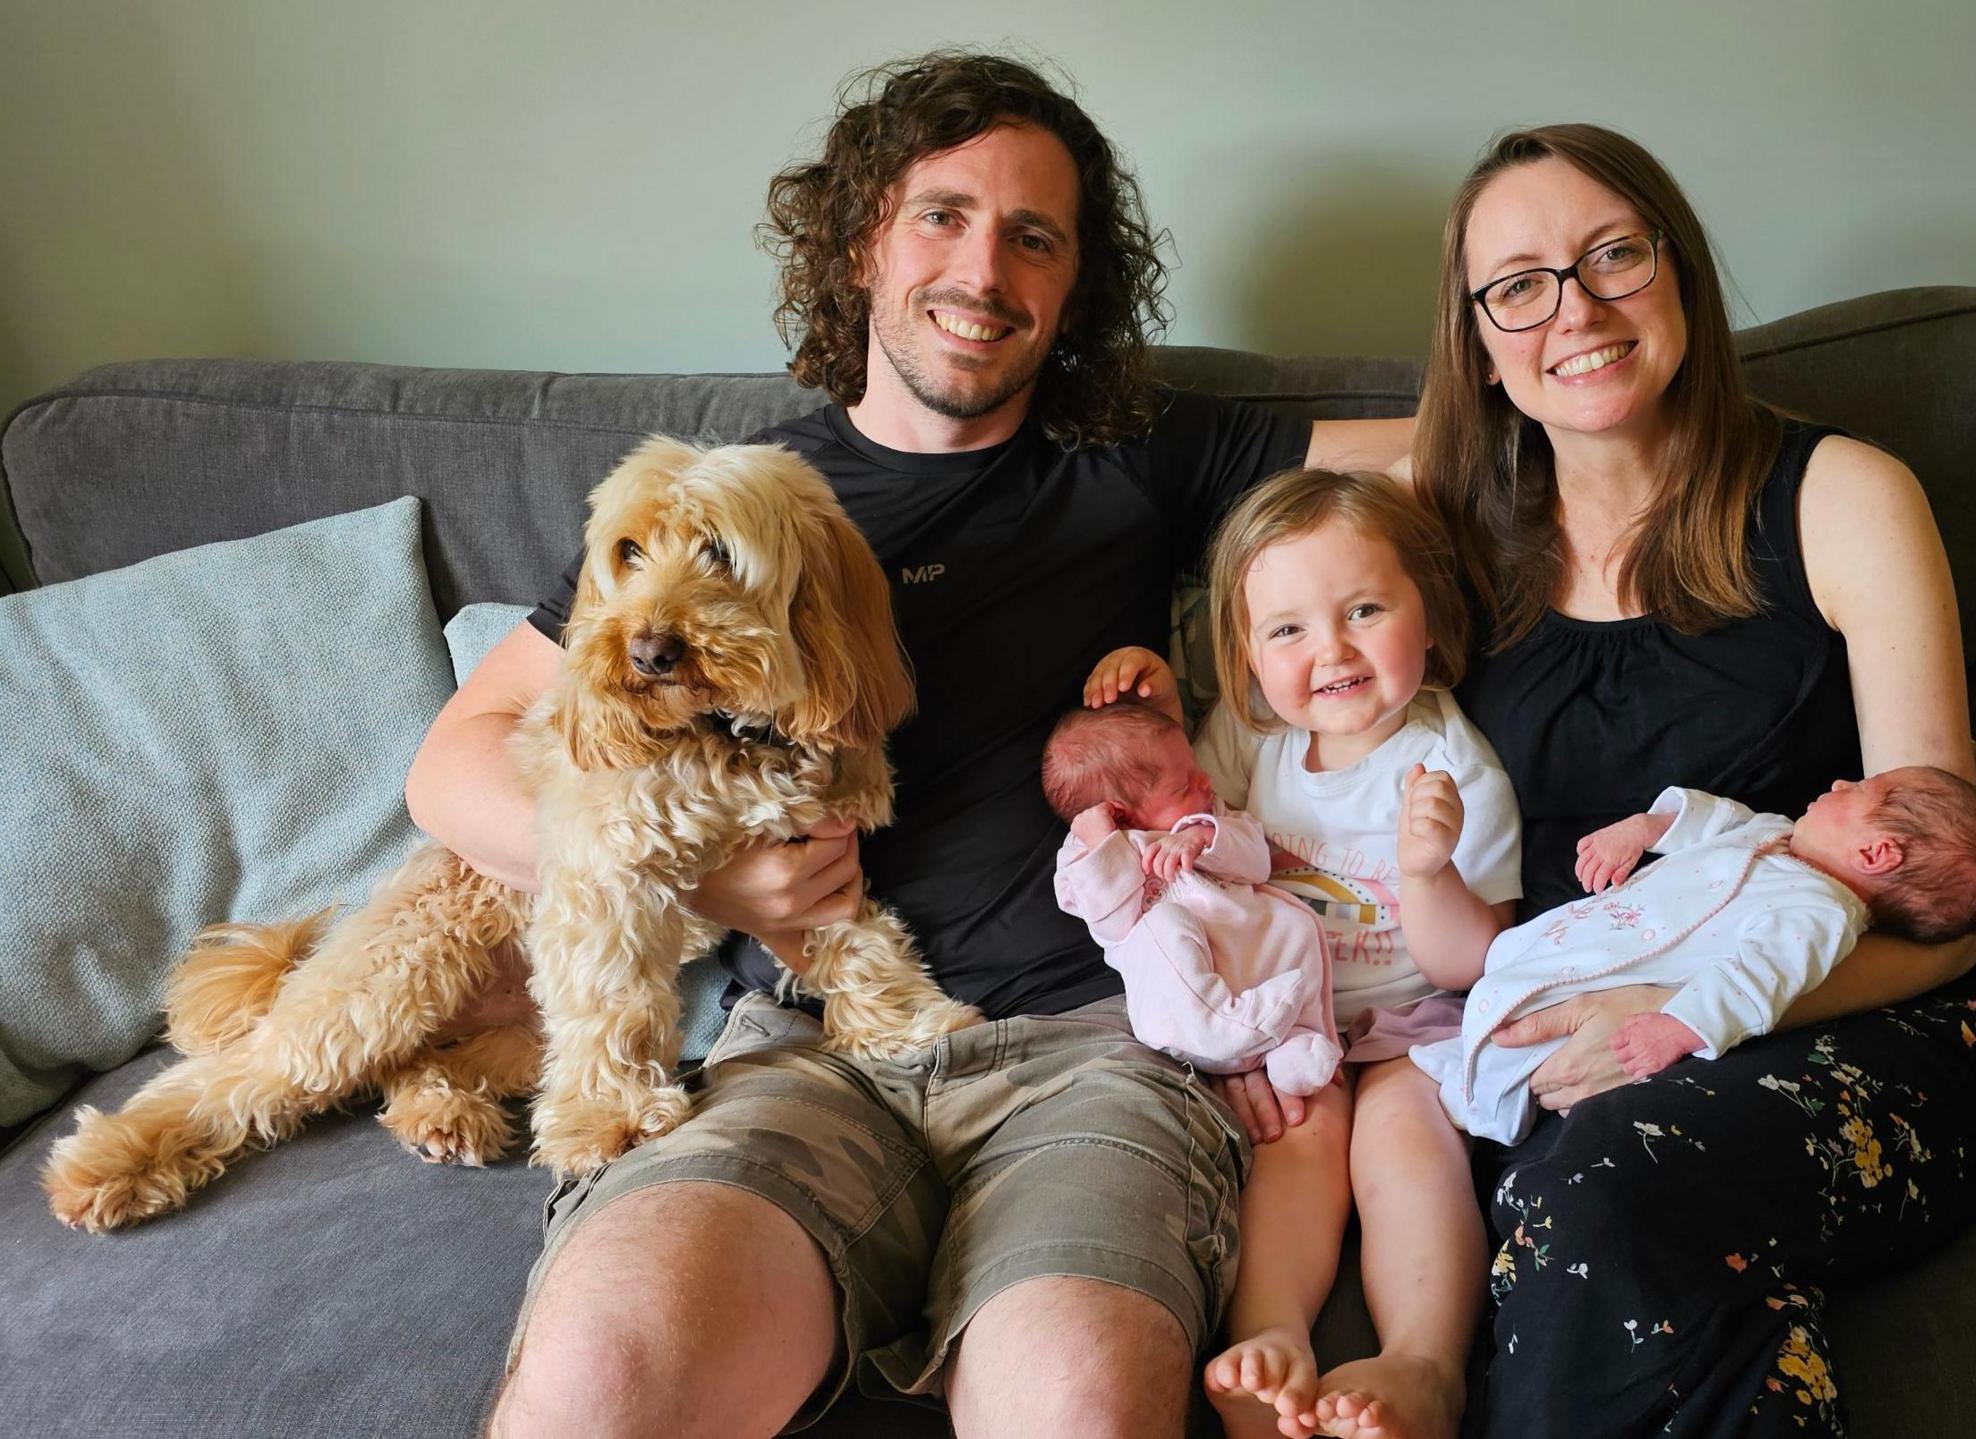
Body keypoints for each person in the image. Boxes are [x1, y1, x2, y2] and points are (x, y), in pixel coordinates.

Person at [408, 51, 1410, 1439]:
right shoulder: (735, 506)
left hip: (1095, 1046)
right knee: (599, 1378)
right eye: (943, 214)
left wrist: (1605, 371)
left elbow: (1446, 459)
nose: (983, 267)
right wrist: (697, 885)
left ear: (1071, 292)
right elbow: (456, 756)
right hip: (804, 1051)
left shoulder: (1137, 450)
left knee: (1077, 1400)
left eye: (1033, 236)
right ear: (863, 239)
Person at [1409, 124, 1976, 1436]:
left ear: (1677, 270)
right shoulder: (1450, 530)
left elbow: (1944, 905)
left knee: (1605, 1181)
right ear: (1477, 337)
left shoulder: (1842, 496)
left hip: (1852, 1022)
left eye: (1612, 255)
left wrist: (1680, 1004)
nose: (1573, 309)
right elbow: (1220, 492)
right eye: (1518, 284)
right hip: (1582, 1032)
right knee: (1618, 1200)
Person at [1086, 468, 1518, 1439]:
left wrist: (1428, 870)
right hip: (1286, 1024)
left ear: (1432, 616)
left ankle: (1423, 1362)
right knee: (1294, 1143)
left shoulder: (1455, 766)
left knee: (1406, 1144)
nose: (1330, 649)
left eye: (1364, 608)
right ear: (1244, 654)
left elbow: (1469, 959)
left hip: (1413, 1018)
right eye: (1286, 629)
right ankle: (1273, 1338)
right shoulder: (1250, 736)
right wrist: (1153, 711)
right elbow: (1176, 809)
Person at [1413, 767, 1976, 1144]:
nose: (1839, 782)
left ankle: (1477, 1102)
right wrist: (1645, 828)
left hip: (1630, 983)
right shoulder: (1778, 834)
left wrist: (1679, 1026)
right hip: (1592, 936)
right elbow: (1714, 819)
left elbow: (1759, 980)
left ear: (1877, 853)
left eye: (1860, 791)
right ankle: (1466, 1055)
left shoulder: (1821, 916)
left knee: (1525, 1043)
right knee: (1521, 971)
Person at [1042, 699, 1341, 1097]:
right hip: (1184, 999)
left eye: (1195, 768)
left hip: (1250, 953)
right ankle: (1217, 1027)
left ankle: (1296, 1045)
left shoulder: (1206, 817)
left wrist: (1205, 837)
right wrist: (1105, 845)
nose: (1205, 781)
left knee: (1296, 923)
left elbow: (1257, 863)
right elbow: (1112, 926)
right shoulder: (1084, 858)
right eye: (1183, 785)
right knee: (1163, 926)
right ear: (1121, 815)